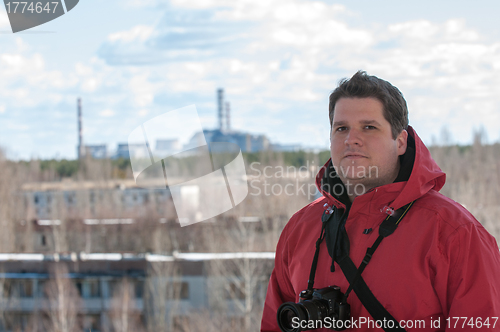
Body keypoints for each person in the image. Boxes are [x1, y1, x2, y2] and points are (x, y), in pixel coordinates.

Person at [261, 71, 500, 331]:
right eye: (341, 128)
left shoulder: (454, 233)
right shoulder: (300, 228)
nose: (351, 138)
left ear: (399, 141)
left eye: (369, 127)